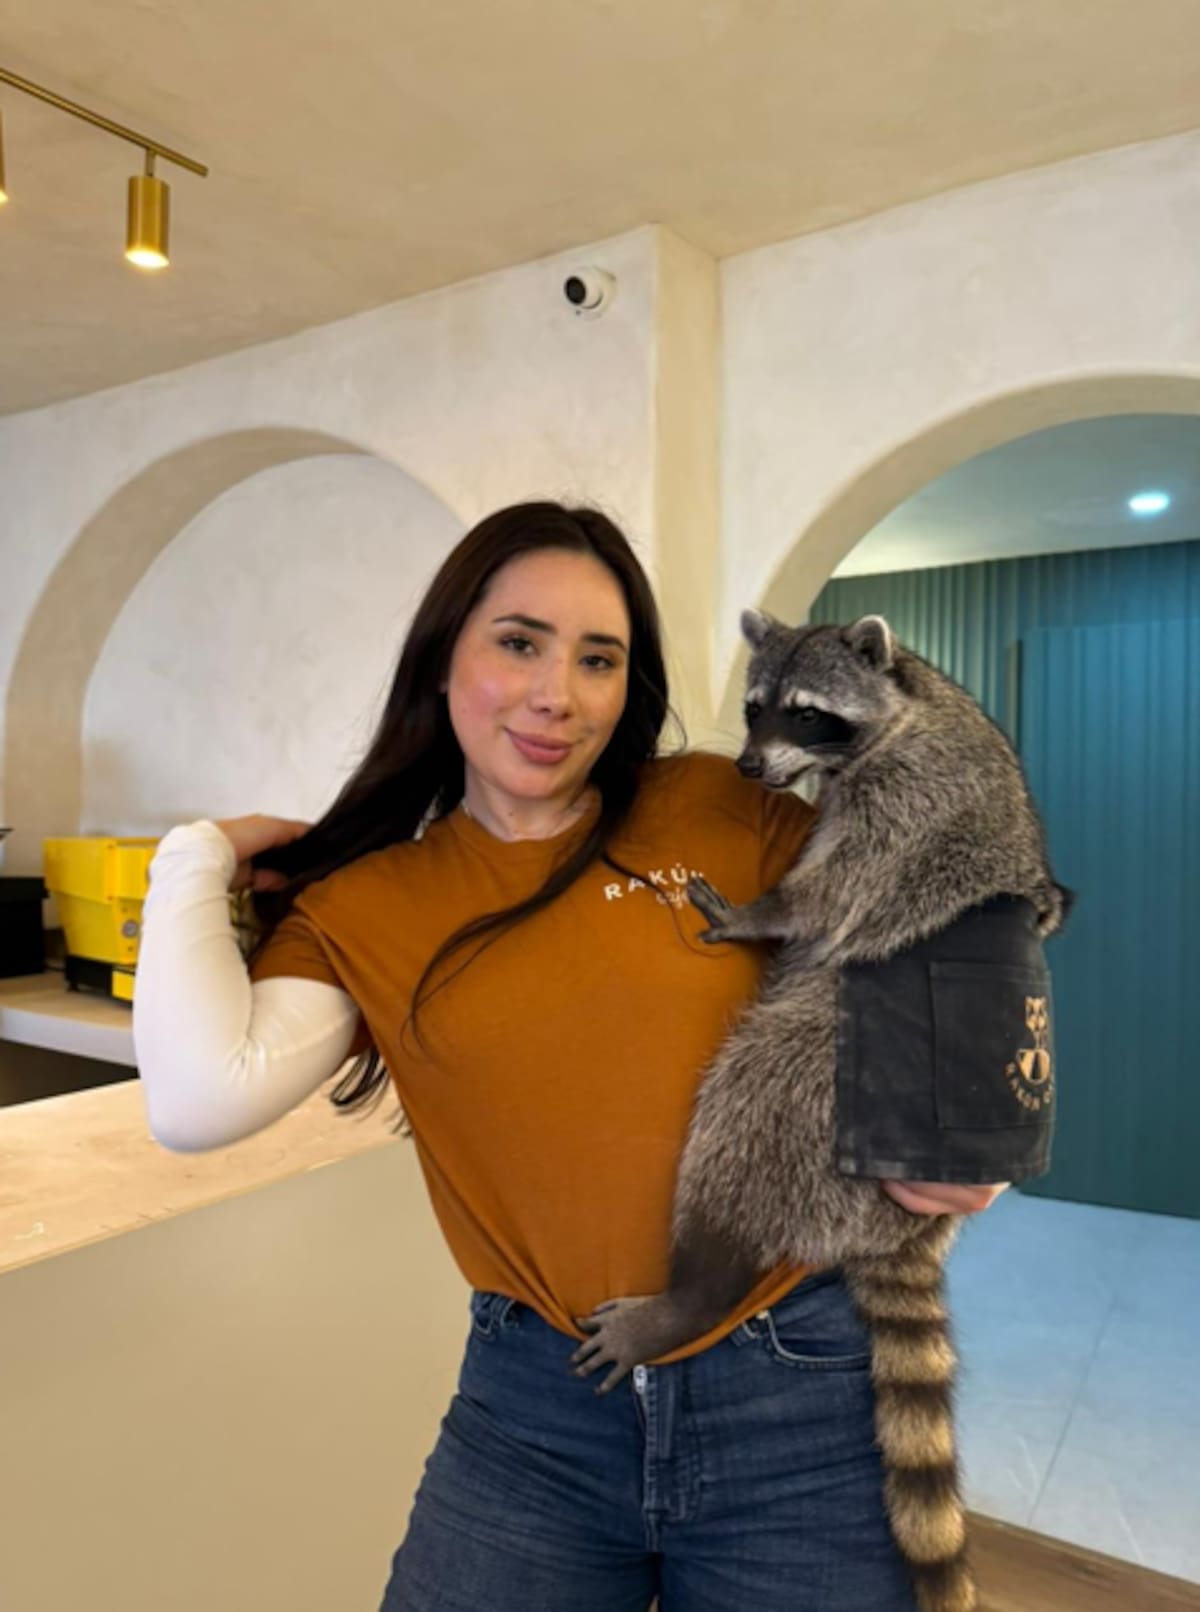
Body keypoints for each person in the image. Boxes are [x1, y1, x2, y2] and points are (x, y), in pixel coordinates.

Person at [133, 500, 1006, 1611]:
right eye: (518, 642)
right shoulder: (366, 902)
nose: (558, 693)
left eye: (599, 659)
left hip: (794, 1385)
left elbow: (941, 921)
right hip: (536, 1411)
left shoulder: (713, 806)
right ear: (441, 656)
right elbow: (195, 1102)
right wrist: (190, 860)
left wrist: (977, 1108)